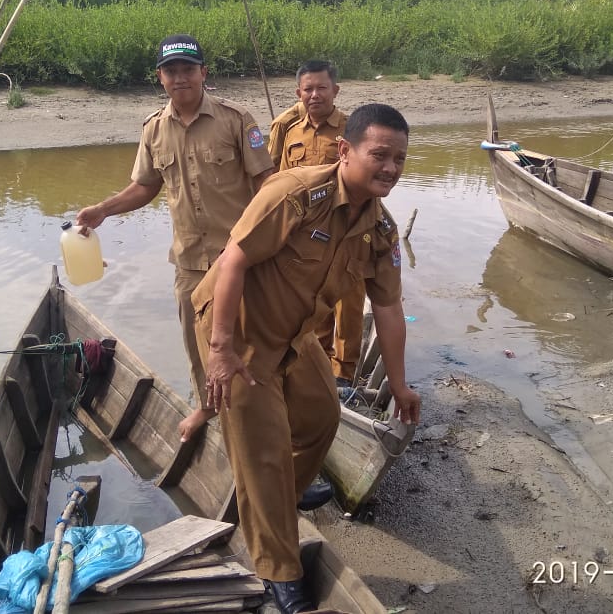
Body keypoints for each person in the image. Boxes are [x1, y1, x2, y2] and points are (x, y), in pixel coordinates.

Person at [192, 103, 421, 613]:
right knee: (264, 450)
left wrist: (400, 386)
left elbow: (388, 309)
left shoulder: (380, 231)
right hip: (240, 330)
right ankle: (278, 567)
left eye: (400, 159)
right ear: (346, 150)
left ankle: (277, 497)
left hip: (295, 336)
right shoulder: (295, 195)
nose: (390, 168)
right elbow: (232, 262)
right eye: (380, 155)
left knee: (322, 416)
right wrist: (221, 350)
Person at [76, 34, 274, 442]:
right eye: (171, 71)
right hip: (189, 263)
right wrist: (102, 211)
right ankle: (207, 408)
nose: (180, 77)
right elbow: (144, 187)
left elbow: (266, 185)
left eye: (188, 69)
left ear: (203, 73)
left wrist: (271, 246)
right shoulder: (154, 129)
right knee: (196, 344)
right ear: (160, 77)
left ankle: (260, 425)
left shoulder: (236, 118)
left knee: (252, 344)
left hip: (239, 259)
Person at [268, 60, 364, 386]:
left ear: (335, 90)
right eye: (308, 89)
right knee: (314, 305)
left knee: (349, 305)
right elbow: (281, 183)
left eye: (322, 88)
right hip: (305, 238)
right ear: (298, 93)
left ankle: (345, 374)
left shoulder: (354, 132)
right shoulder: (290, 132)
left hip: (346, 231)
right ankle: (319, 366)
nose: (315, 95)